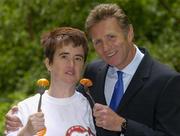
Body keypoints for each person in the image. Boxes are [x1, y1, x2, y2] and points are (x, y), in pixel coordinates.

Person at [4, 3, 180, 136]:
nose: (106, 47)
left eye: (111, 37)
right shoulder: (94, 72)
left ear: (129, 33)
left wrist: (123, 125)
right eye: (98, 42)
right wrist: (20, 117)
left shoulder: (167, 81)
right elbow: (64, 98)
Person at [5, 27, 96, 136]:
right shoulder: (25, 109)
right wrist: (27, 132)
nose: (71, 64)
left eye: (78, 58)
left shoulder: (87, 104)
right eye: (64, 56)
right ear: (48, 63)